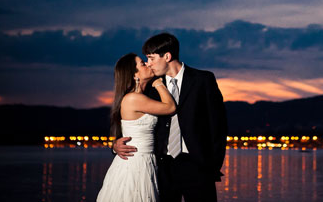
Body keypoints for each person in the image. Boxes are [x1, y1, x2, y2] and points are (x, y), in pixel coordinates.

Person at [114, 33, 228, 202]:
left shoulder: (203, 80)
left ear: (167, 56)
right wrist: (115, 143)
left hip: (197, 167)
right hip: (161, 167)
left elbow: (218, 126)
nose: (149, 64)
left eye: (151, 58)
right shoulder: (151, 87)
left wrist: (212, 166)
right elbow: (128, 118)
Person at [97, 53, 176, 202]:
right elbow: (170, 107)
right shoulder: (133, 98)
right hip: (136, 163)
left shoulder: (143, 95)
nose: (148, 64)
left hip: (148, 161)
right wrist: (158, 83)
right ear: (134, 75)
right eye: (142, 64)